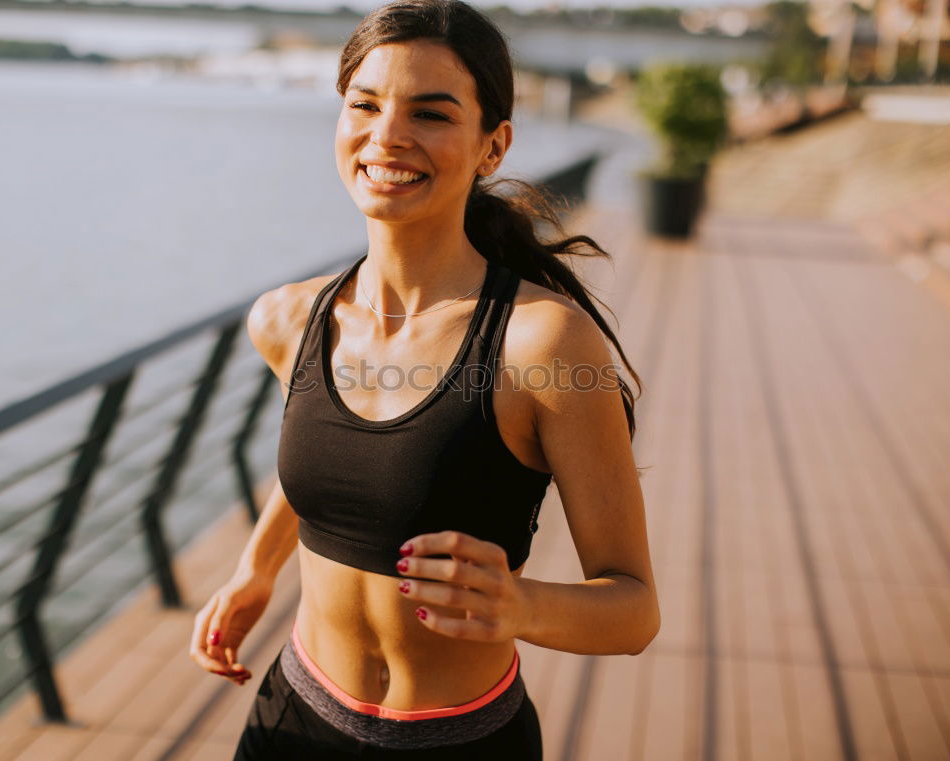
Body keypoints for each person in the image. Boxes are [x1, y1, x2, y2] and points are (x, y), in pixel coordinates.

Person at [189, 1, 659, 757]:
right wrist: (254, 571)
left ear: (492, 146)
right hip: (291, 722)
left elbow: (634, 609)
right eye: (365, 105)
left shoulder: (541, 343)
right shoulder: (287, 318)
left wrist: (520, 603)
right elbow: (334, 458)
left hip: (465, 741)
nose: (388, 136)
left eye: (432, 114)